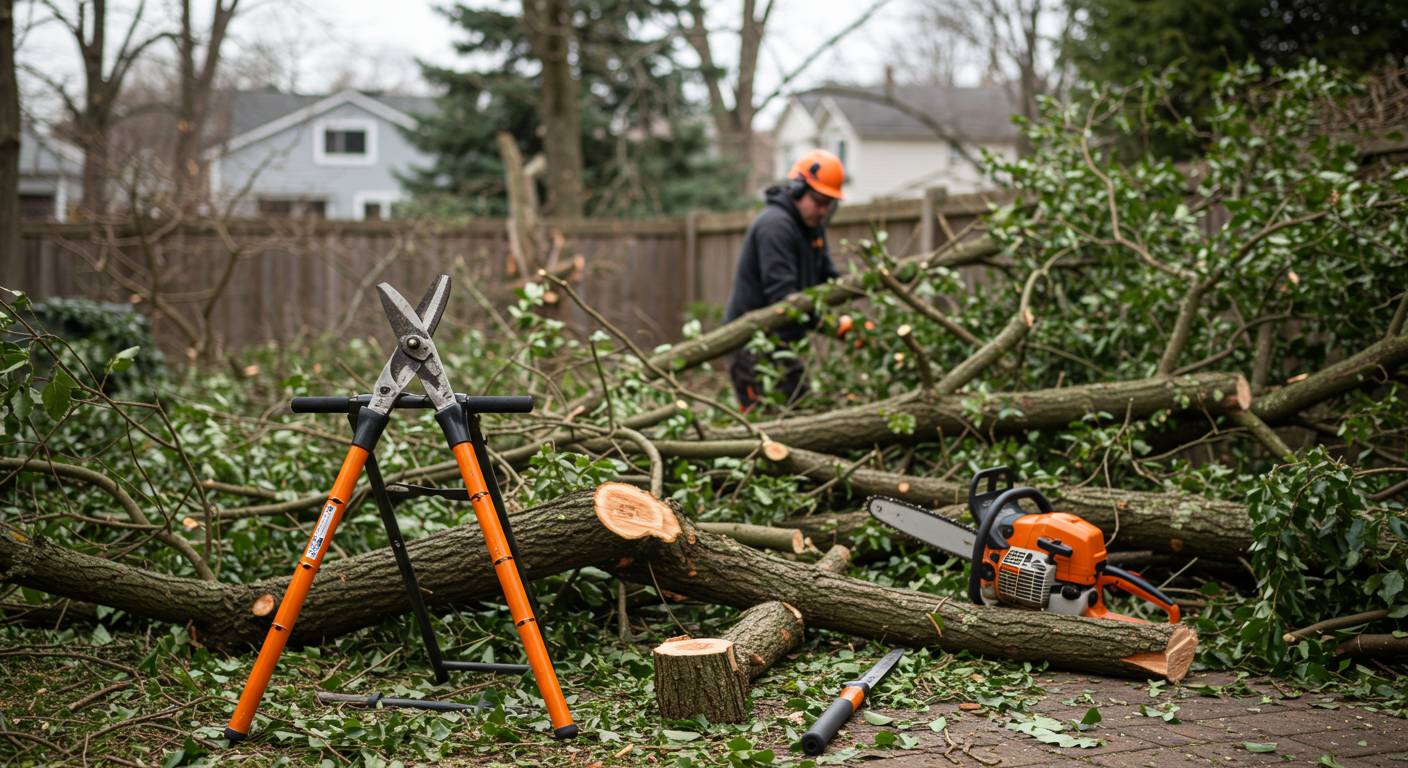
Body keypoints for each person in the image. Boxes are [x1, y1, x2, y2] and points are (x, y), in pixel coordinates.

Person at [724, 148, 851, 411]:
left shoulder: (812, 229)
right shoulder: (776, 226)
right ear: (797, 190)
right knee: (767, 419)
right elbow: (785, 300)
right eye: (818, 201)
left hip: (780, 342)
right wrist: (833, 326)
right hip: (753, 344)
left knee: (801, 409)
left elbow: (829, 279)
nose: (823, 210)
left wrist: (859, 297)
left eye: (829, 204)